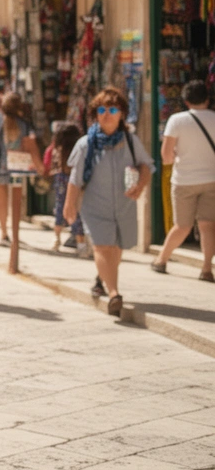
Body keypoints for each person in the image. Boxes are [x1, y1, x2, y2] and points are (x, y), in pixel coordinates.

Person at [64, 87, 154, 317]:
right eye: (102, 109)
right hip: (95, 206)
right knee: (103, 246)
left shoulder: (131, 141)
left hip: (123, 205)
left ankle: (103, 279)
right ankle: (114, 294)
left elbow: (146, 165)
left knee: (116, 248)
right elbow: (75, 179)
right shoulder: (86, 144)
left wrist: (141, 185)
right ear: (95, 114)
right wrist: (69, 205)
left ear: (121, 113)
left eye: (112, 109)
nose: (107, 114)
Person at [0, 91, 45, 273]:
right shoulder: (23, 124)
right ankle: (8, 234)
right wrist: (39, 166)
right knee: (14, 201)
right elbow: (29, 145)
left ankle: (1, 232)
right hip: (17, 167)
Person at [153, 80, 215, 282]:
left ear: (186, 101)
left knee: (182, 225)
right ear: (207, 99)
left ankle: (161, 260)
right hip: (212, 180)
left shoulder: (176, 120)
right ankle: (206, 269)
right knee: (208, 226)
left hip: (184, 181)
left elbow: (166, 157)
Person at [46, 122, 85, 253]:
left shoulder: (57, 149)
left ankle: (56, 239)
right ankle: (81, 244)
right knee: (77, 211)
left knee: (60, 209)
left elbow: (50, 164)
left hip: (61, 180)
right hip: (76, 182)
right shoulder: (80, 149)